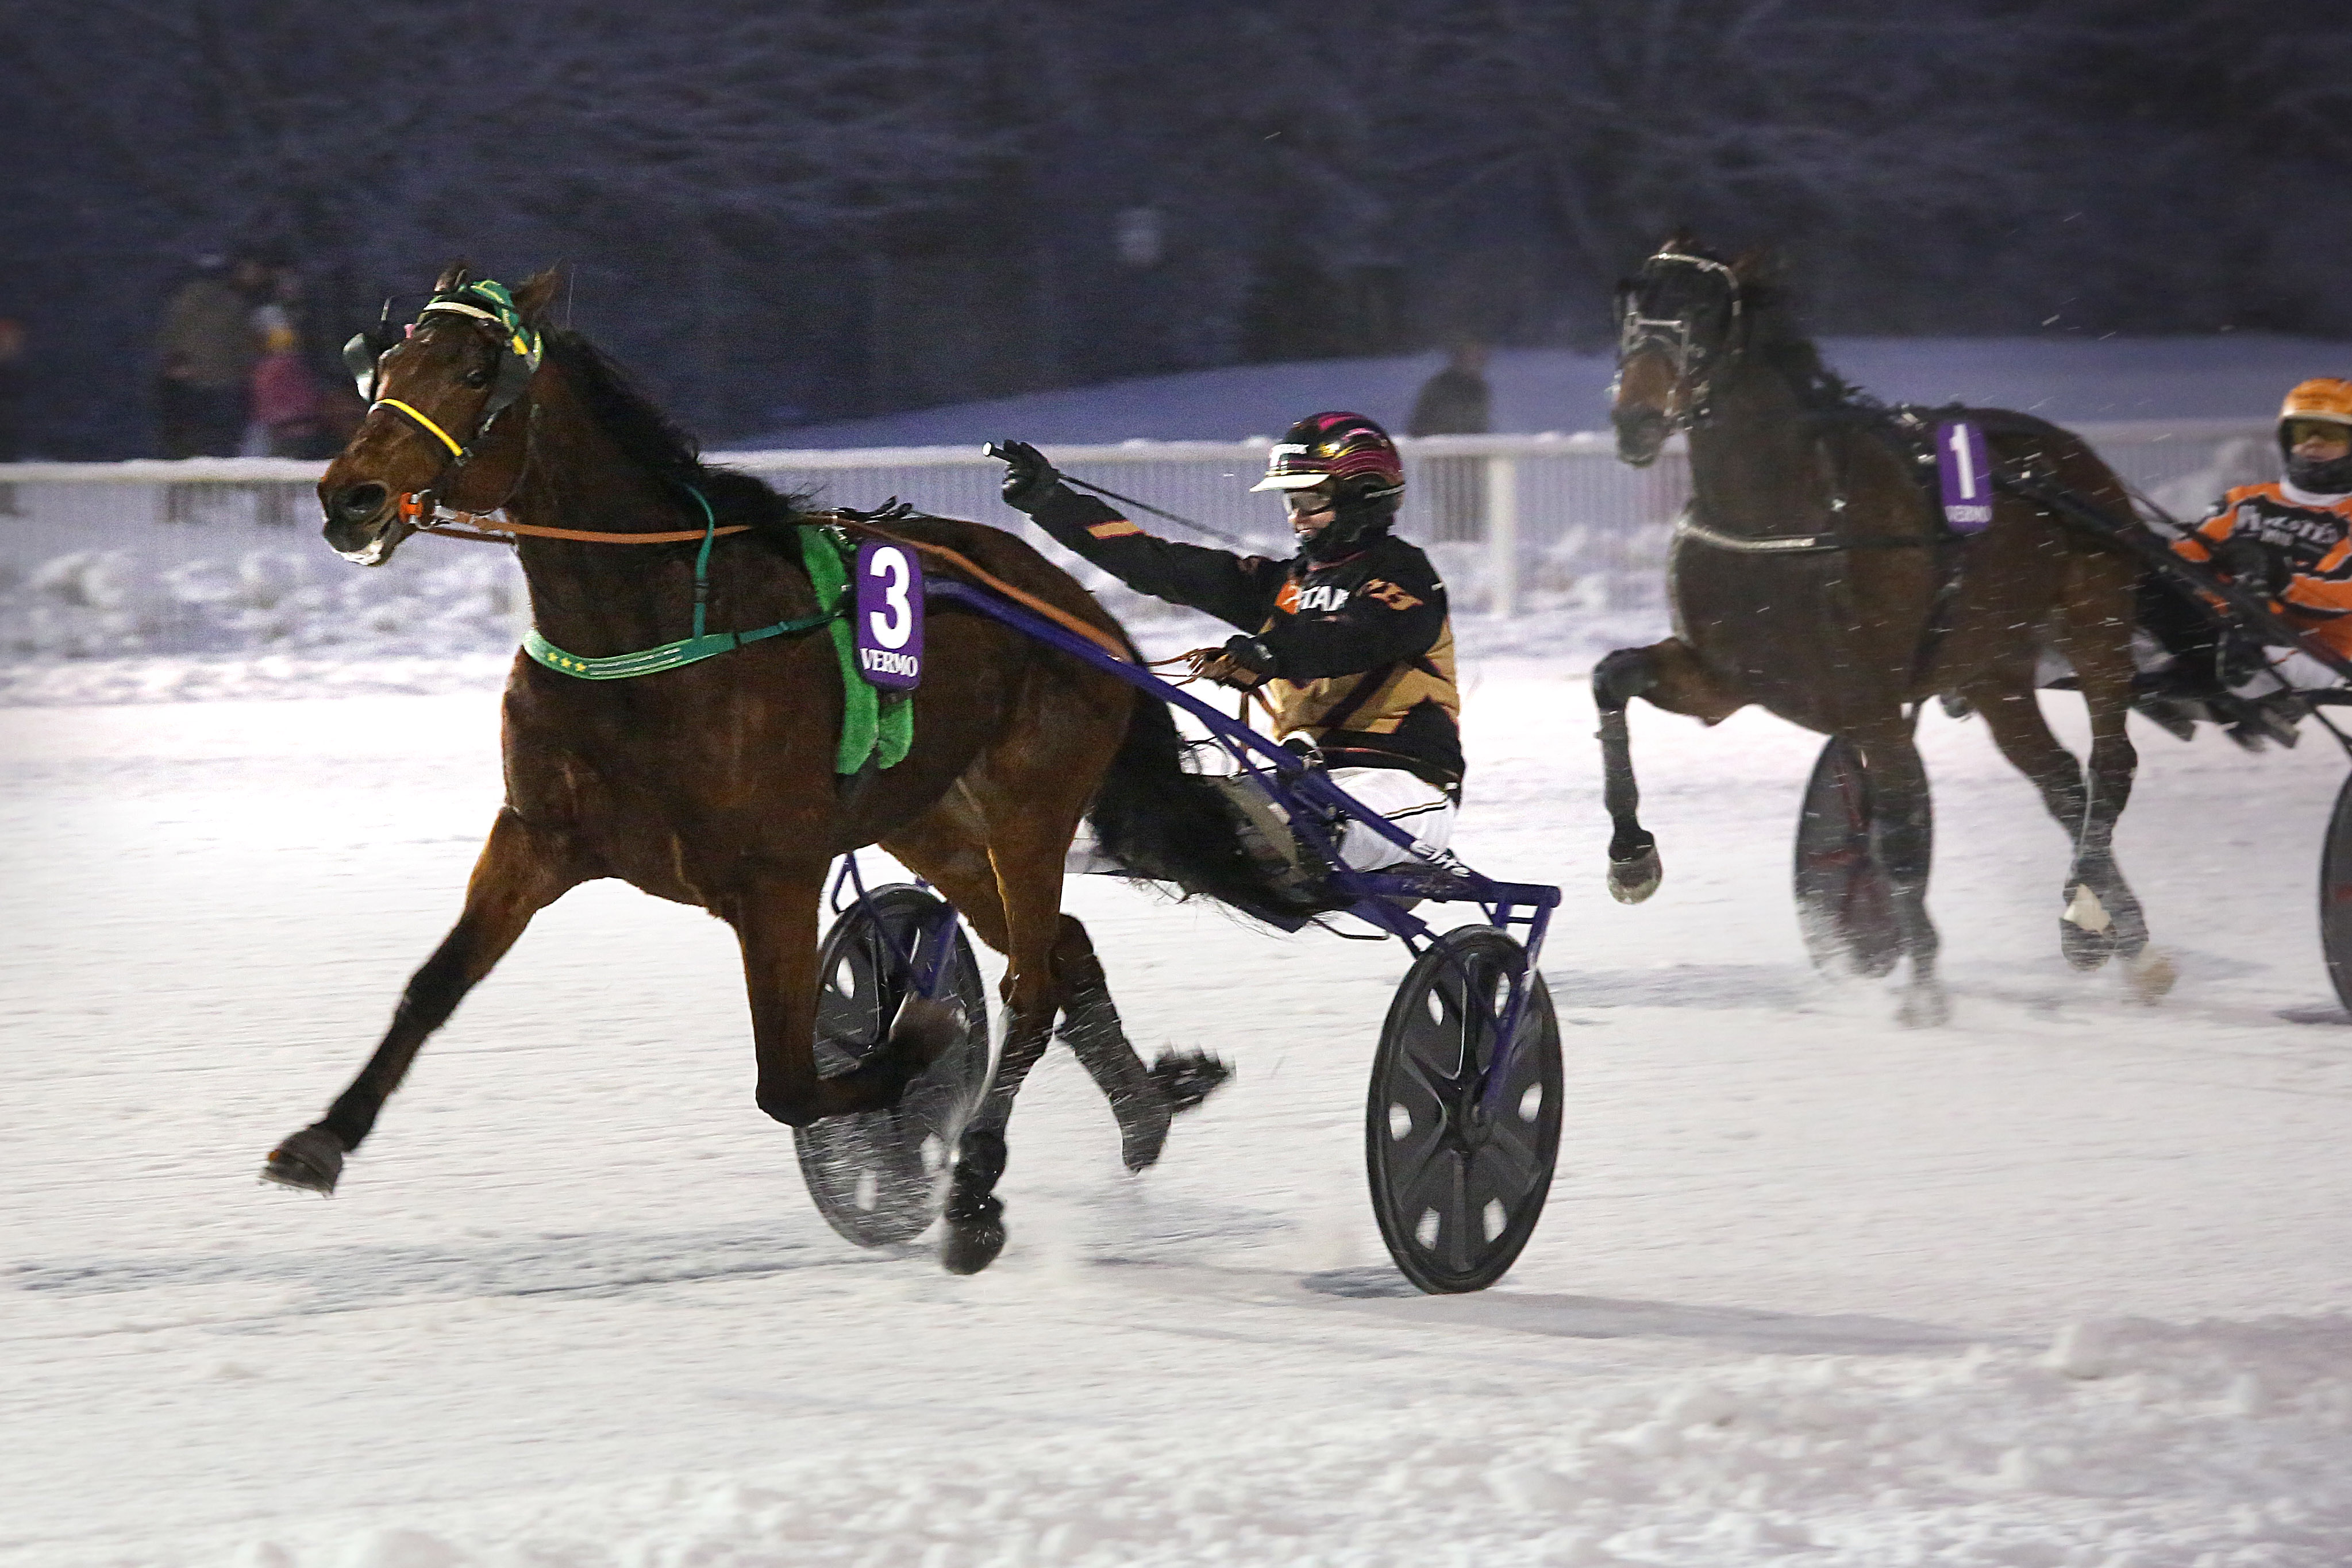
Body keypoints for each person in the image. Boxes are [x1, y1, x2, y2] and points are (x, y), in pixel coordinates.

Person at [994, 411, 1462, 872]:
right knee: (1087, 827)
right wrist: (1051, 502)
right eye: (1291, 501)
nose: (1297, 517)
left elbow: (1358, 635)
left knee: (1314, 830)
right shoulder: (1281, 585)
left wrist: (1271, 653)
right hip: (1300, 781)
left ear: (1365, 494)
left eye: (1311, 499)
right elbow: (1156, 563)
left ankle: (1295, 834)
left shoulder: (1405, 577)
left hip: (1403, 781)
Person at [2148, 377, 2352, 746]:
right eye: (2303, 432)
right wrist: (2156, 553)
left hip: (2320, 650)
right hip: (2232, 631)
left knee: (2247, 647)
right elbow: (2185, 562)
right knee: (2147, 579)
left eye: (2330, 434)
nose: (2313, 443)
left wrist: (2273, 575)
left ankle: (2248, 694)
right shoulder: (2245, 500)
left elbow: (2340, 595)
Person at [156, 253, 267, 458]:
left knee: (201, 438)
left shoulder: (186, 303)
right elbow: (243, 345)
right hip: (218, 382)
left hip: (204, 382)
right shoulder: (231, 303)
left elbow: (170, 339)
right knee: (218, 439)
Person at [1407, 341, 1491, 542]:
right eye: (1472, 356)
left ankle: (1470, 548)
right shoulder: (1440, 386)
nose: (1478, 362)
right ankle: (1450, 548)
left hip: (1472, 462)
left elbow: (1479, 425)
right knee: (1450, 509)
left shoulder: (1480, 388)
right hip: (1442, 461)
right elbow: (1419, 424)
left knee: (1473, 509)